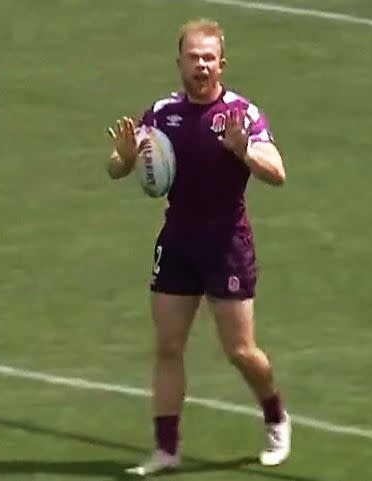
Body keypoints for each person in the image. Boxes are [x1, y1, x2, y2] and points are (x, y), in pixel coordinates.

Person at [106, 18, 290, 477]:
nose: (201, 65)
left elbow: (277, 171)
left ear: (222, 63)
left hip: (227, 242)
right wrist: (125, 159)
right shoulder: (161, 114)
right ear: (180, 63)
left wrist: (243, 150)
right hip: (178, 240)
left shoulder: (241, 115)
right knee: (168, 346)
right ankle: (166, 450)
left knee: (240, 350)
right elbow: (119, 165)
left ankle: (275, 416)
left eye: (209, 58)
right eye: (194, 58)